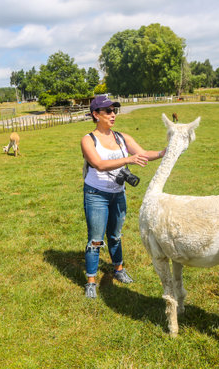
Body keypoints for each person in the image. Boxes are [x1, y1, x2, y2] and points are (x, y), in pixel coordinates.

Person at [81, 96, 166, 299]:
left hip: (118, 194)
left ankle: (118, 270)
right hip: (96, 195)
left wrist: (166, 151)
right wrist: (128, 159)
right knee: (95, 240)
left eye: (114, 111)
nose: (113, 115)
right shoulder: (88, 140)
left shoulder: (121, 138)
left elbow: (144, 153)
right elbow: (99, 164)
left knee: (116, 236)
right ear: (95, 114)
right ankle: (91, 281)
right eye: (108, 111)